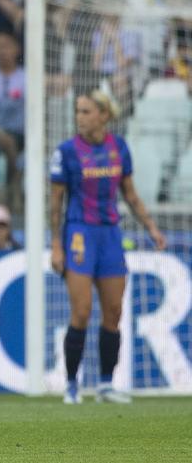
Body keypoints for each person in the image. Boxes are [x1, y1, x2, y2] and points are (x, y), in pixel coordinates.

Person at [49, 90, 165, 405]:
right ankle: (72, 384)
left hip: (111, 235)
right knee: (82, 311)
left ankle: (105, 384)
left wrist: (152, 228)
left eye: (86, 111)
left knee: (113, 312)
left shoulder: (119, 148)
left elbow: (130, 193)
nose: (80, 117)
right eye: (78, 111)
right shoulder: (66, 152)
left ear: (104, 115)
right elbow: (55, 202)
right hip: (79, 235)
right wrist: (56, 245)